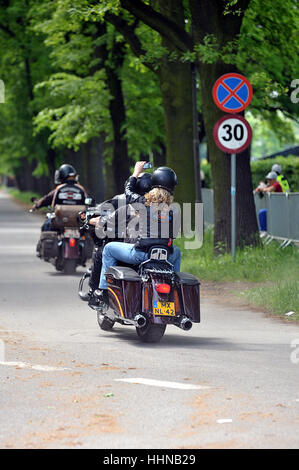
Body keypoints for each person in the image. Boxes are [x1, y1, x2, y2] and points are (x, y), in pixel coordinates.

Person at [94, 162, 181, 305]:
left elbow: (128, 191)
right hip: (165, 256)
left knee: (108, 249)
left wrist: (135, 172)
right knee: (177, 251)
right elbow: (174, 235)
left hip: (141, 255)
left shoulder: (142, 203)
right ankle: (174, 285)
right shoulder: (173, 211)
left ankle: (103, 291)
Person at [80, 172, 153, 305]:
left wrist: (90, 220)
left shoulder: (127, 204)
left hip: (134, 248)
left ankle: (98, 292)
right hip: (155, 252)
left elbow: (105, 216)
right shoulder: (163, 208)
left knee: (103, 251)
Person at [33, 164, 88, 231]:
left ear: (61, 176)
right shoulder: (81, 189)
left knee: (46, 225)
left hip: (61, 223)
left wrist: (37, 205)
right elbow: (87, 204)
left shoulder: (59, 189)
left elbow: (47, 200)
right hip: (79, 222)